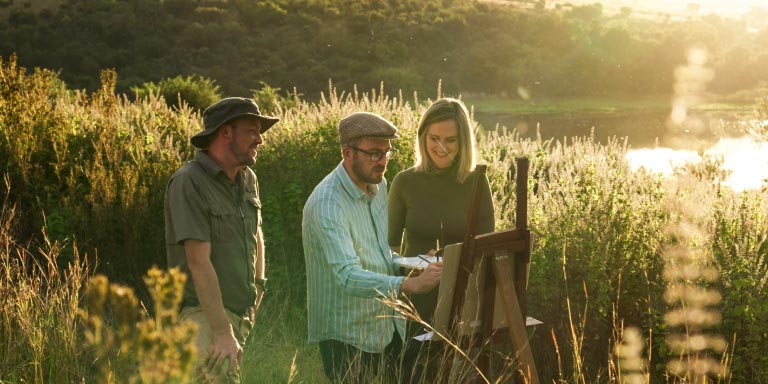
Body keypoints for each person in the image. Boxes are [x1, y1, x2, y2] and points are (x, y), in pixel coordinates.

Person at [302, 112, 443, 383]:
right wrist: (409, 285)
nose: (383, 161)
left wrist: (414, 264)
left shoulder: (378, 186)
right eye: (375, 153)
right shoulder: (327, 204)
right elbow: (346, 275)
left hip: (385, 326)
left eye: (387, 152)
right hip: (346, 336)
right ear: (347, 153)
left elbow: (379, 254)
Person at [164, 97, 279, 383]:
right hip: (203, 318)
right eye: (252, 131)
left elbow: (256, 233)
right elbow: (198, 261)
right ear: (226, 132)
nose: (260, 139)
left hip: (239, 316)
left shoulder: (248, 178)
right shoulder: (189, 181)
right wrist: (221, 331)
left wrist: (258, 287)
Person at [388, 97, 495, 336]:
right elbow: (389, 251)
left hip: (464, 301)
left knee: (457, 360)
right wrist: (408, 274)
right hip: (416, 300)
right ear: (422, 137)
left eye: (450, 140)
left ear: (464, 141)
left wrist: (450, 260)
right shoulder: (404, 182)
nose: (441, 147)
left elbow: (488, 248)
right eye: (434, 138)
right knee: (414, 359)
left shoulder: (477, 182)